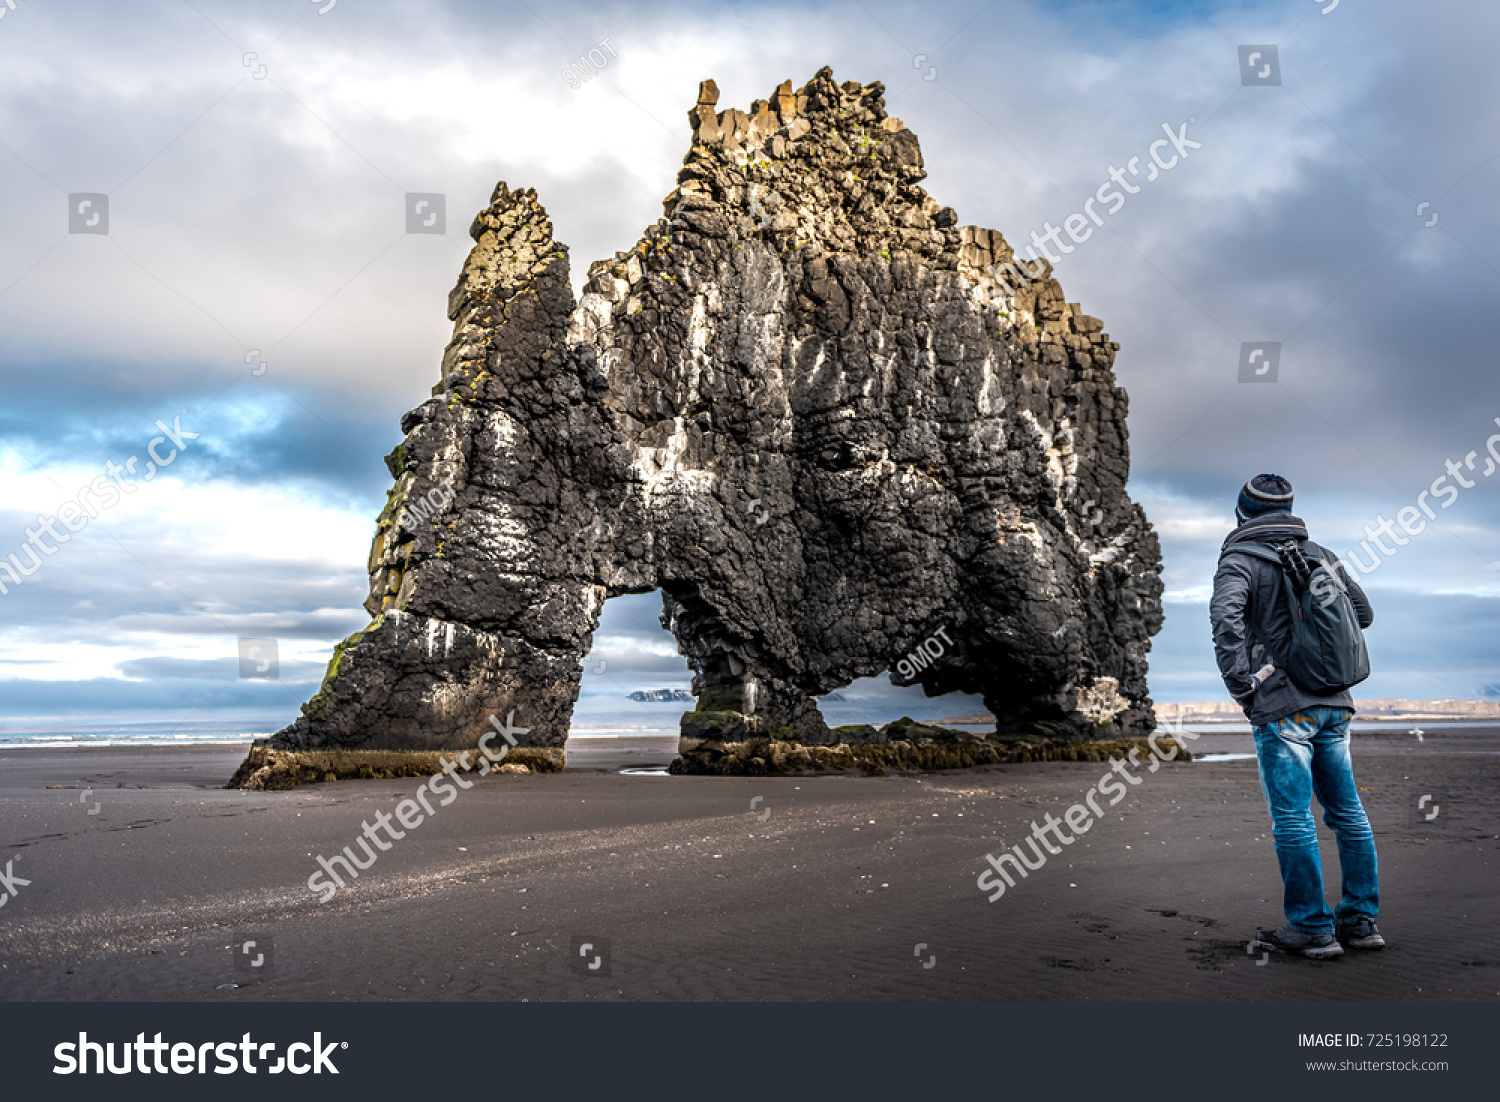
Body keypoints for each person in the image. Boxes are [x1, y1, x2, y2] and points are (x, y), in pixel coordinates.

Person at [1210, 474, 1382, 960]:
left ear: (1242, 513)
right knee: (1348, 813)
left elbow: (1224, 620)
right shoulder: (1322, 555)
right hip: (1335, 701)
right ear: (1288, 511)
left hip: (1282, 705)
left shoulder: (1239, 559)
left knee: (1293, 820)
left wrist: (1239, 685)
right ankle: (1361, 921)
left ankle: (1310, 927)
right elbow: (1363, 614)